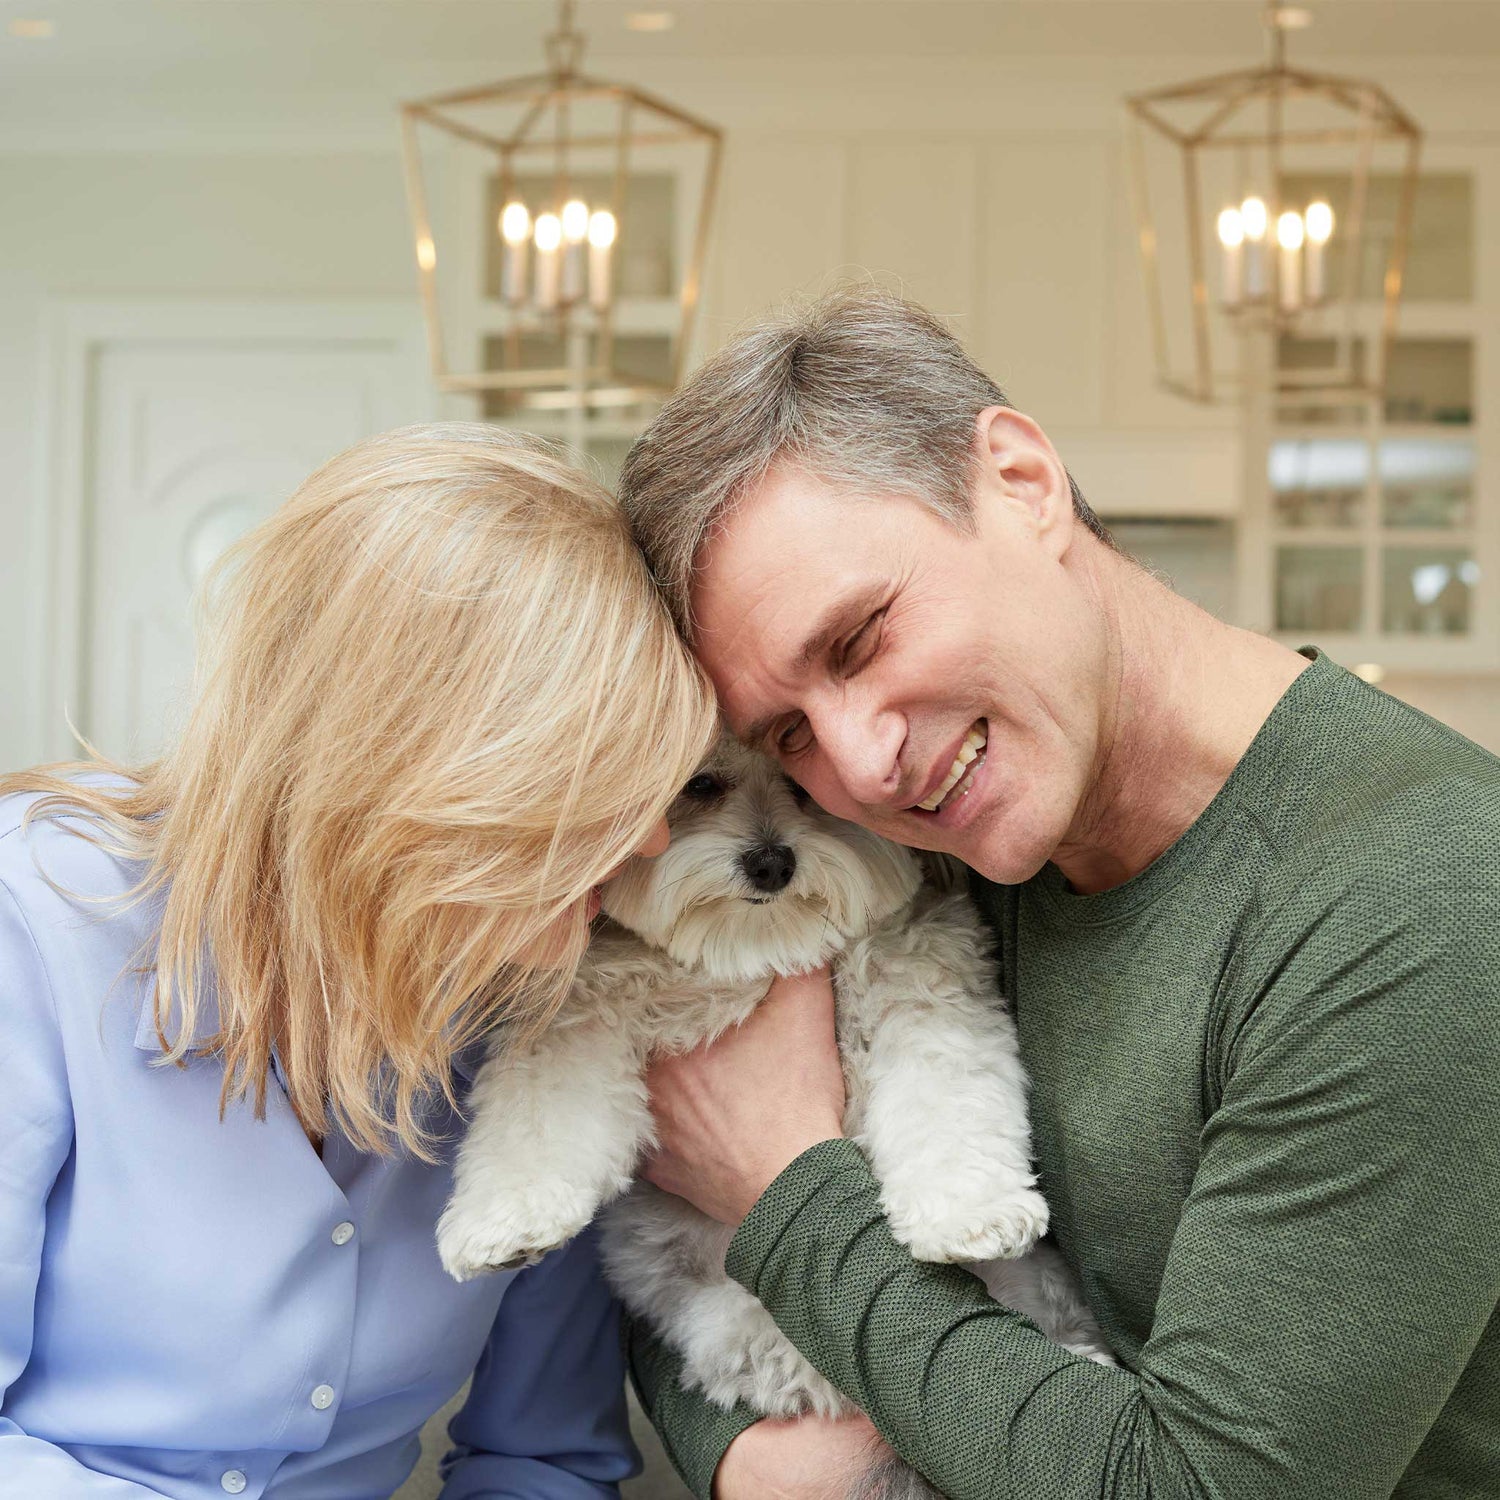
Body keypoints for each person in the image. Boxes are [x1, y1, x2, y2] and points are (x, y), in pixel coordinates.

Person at [614, 291, 1500, 1500]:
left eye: (862, 638)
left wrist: (782, 1192)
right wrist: (748, 1458)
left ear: (1023, 480)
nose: (861, 766)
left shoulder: (1426, 896)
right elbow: (655, 1241)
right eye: (791, 734)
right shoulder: (937, 853)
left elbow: (1197, 1490)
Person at [0, 423, 719, 1498]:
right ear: (412, 770)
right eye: (593, 782)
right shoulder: (36, 926)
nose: (654, 840)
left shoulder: (541, 997)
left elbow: (543, 1457)